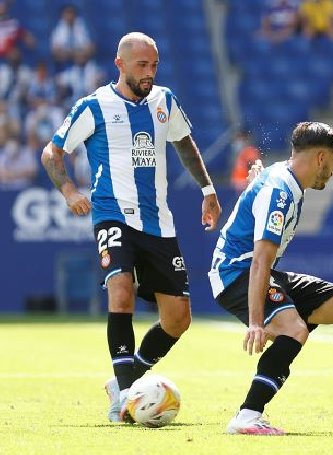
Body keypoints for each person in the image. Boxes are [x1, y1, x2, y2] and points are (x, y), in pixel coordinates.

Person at [40, 32, 222, 423]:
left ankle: (123, 381)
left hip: (158, 221)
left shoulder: (165, 100)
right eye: (142, 65)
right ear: (119, 64)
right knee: (119, 290)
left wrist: (208, 189)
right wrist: (70, 190)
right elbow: (52, 151)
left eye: (154, 65)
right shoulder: (95, 106)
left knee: (178, 319)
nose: (149, 73)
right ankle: (125, 399)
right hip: (112, 214)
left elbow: (185, 145)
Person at [209, 122, 333, 435]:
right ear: (321, 158)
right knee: (294, 329)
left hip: (262, 272)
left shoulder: (282, 178)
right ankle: (246, 416)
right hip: (236, 273)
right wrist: (257, 322)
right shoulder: (281, 192)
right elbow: (259, 260)